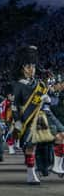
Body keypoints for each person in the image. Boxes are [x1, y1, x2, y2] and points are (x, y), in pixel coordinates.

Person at [12, 46, 64, 184]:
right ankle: (31, 174)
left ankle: (57, 166)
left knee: (61, 136)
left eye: (33, 67)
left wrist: (49, 99)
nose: (31, 70)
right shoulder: (18, 85)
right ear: (23, 68)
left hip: (46, 116)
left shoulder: (40, 84)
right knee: (31, 146)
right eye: (28, 67)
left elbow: (53, 100)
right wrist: (17, 121)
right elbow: (14, 105)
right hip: (30, 118)